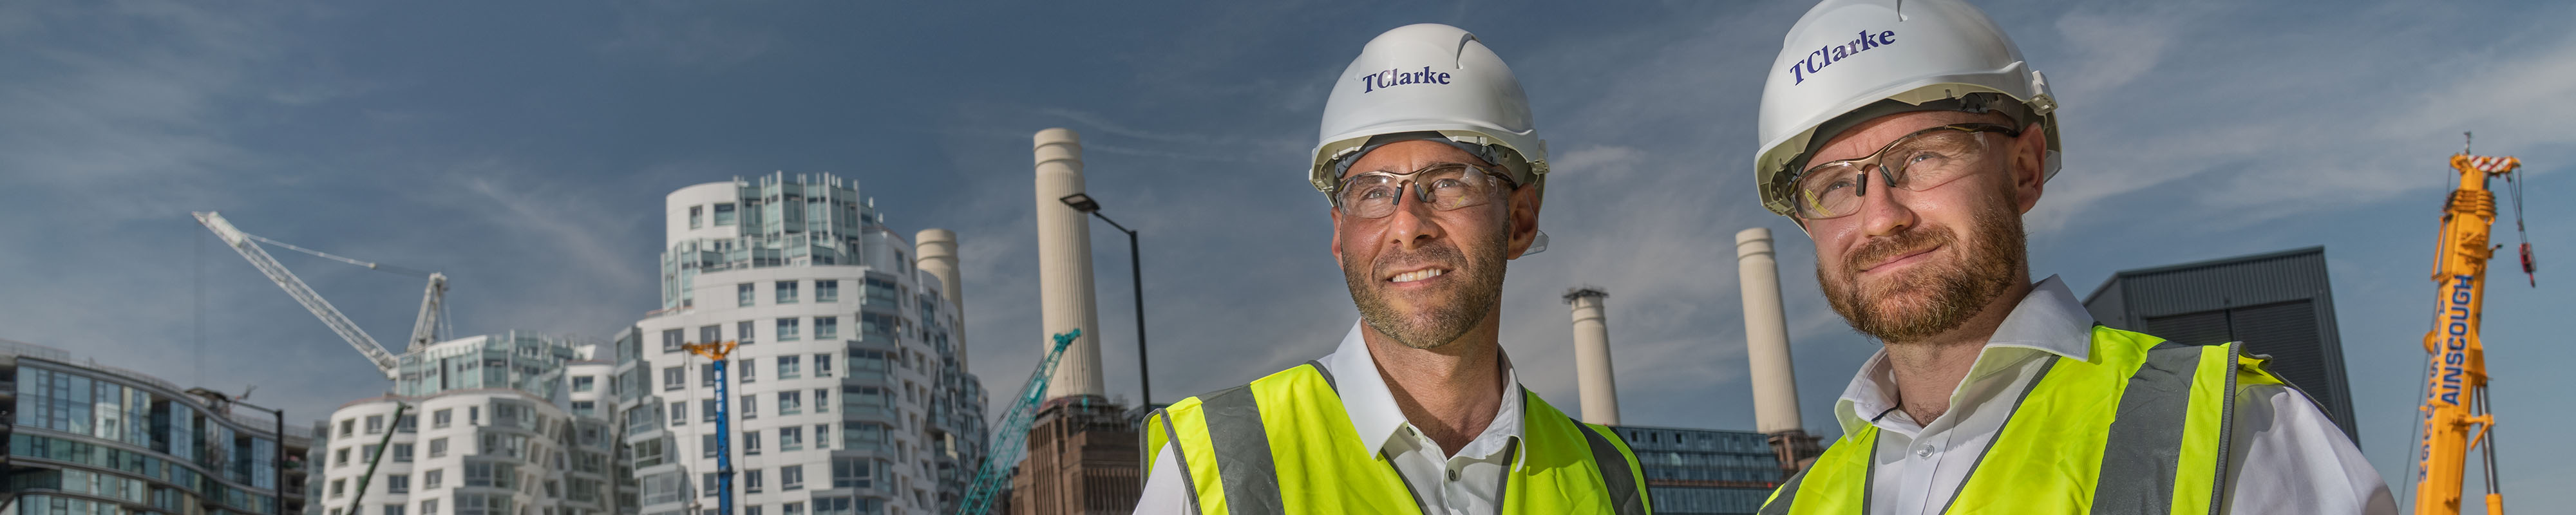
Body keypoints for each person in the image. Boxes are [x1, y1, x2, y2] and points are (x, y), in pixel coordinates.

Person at [1747, 1, 2394, 513]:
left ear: (2024, 168)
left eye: (1922, 155)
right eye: (1833, 185)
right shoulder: (1795, 505)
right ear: (1807, 225)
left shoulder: (2229, 429)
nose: (1881, 216)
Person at [1129, 23, 1650, 515]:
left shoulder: (1609, 478)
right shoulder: (1214, 464)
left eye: (1450, 182)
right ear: (1339, 235)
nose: (1407, 225)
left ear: (1519, 221)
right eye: (1373, 192)